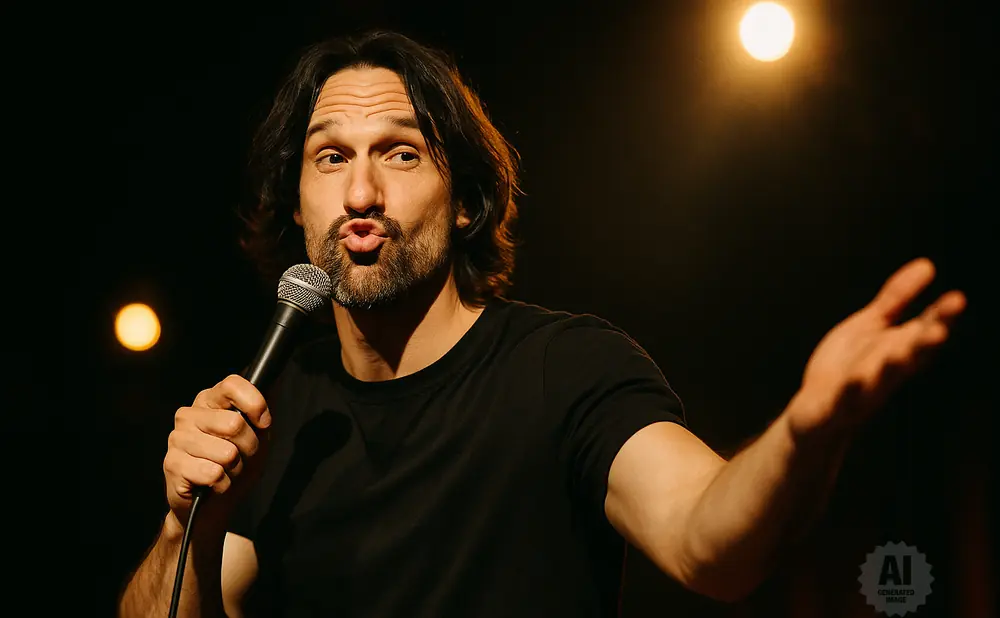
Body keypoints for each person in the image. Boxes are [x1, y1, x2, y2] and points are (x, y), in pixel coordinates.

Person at [117, 30, 966, 618]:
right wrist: (185, 521)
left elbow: (710, 544)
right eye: (331, 156)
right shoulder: (275, 414)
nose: (362, 194)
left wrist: (804, 432)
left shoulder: (566, 368)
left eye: (402, 153)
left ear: (466, 206)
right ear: (298, 208)